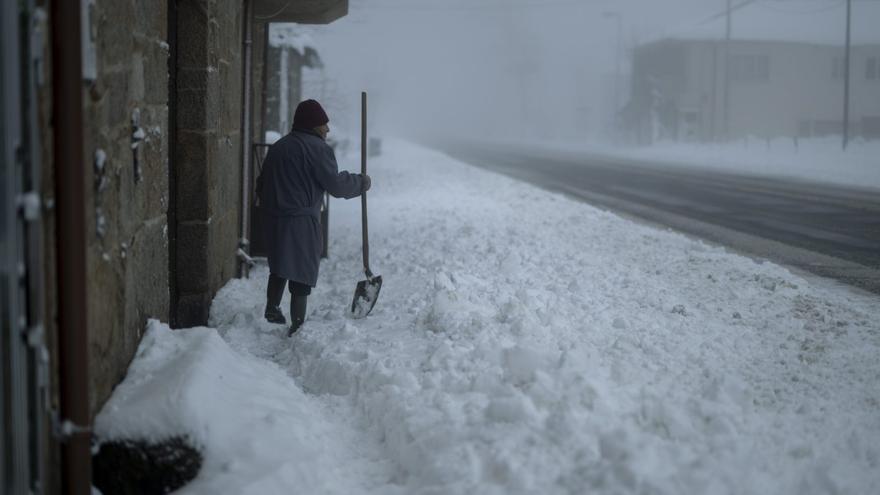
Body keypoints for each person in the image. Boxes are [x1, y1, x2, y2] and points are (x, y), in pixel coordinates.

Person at [257, 99, 370, 336]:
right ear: (312, 125)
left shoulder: (279, 146)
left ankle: (272, 307)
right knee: (301, 269)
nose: (327, 129)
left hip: (273, 216)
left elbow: (261, 183)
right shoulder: (317, 149)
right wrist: (361, 182)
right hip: (300, 220)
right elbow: (336, 186)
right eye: (323, 124)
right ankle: (298, 325)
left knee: (280, 263)